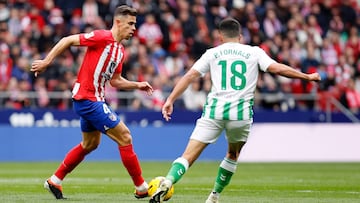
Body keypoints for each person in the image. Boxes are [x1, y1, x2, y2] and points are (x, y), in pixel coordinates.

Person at [149, 17, 321, 203]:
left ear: (220, 37)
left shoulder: (212, 53)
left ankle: (168, 181)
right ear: (240, 36)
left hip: (214, 111)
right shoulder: (253, 52)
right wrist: (307, 77)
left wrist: (170, 99)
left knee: (188, 156)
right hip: (241, 114)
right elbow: (277, 69)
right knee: (232, 154)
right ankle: (214, 196)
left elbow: (190, 75)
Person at [31, 5, 153, 200]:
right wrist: (47, 61)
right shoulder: (102, 37)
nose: (133, 28)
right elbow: (68, 39)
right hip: (87, 98)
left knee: (90, 144)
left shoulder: (120, 51)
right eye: (130, 24)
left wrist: (138, 85)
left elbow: (115, 80)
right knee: (125, 137)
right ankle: (141, 187)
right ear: (118, 22)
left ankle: (55, 180)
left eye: (134, 24)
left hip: (93, 99)